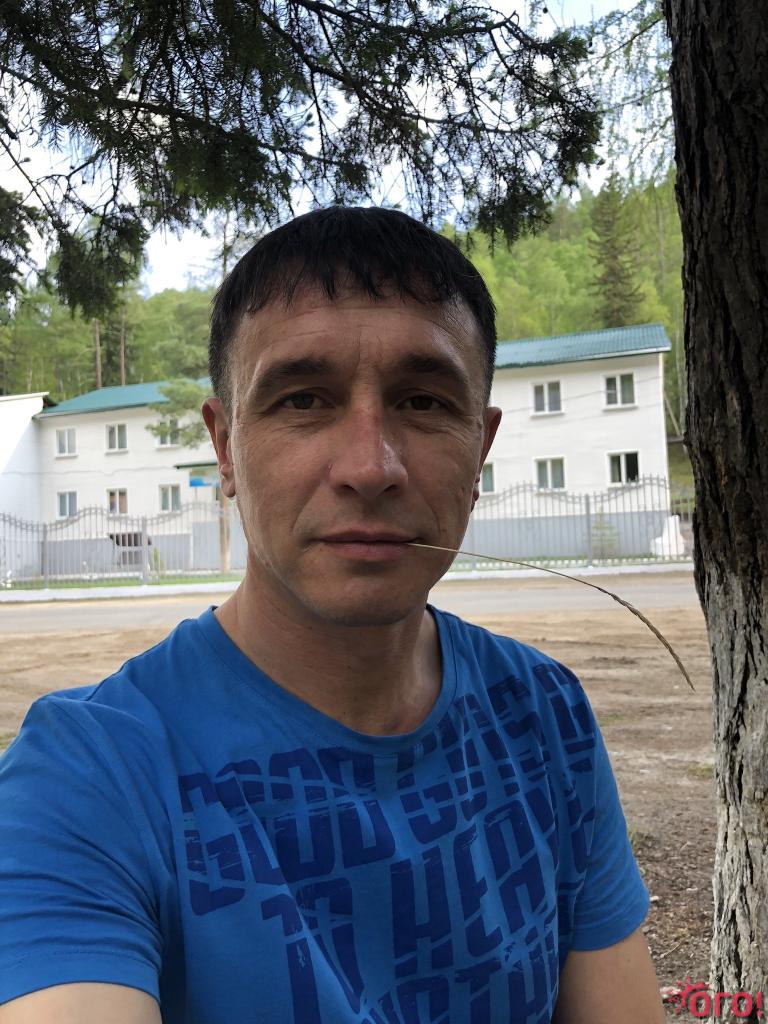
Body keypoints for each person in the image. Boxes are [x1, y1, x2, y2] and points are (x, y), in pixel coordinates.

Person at [0, 207, 665, 1024]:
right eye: (303, 399)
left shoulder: (545, 713)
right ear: (225, 446)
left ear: (481, 448)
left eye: (423, 402)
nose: (370, 467)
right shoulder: (90, 778)